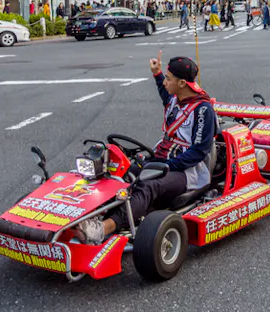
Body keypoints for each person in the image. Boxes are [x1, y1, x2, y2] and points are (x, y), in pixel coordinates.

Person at [75, 54, 215, 244]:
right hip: (160, 160)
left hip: (187, 171)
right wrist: (156, 73)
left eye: (168, 78)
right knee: (118, 172)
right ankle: (88, 216)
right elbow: (163, 92)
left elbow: (199, 151)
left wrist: (166, 165)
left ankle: (102, 229)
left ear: (182, 83)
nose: (165, 82)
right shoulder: (175, 99)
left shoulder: (203, 110)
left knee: (149, 184)